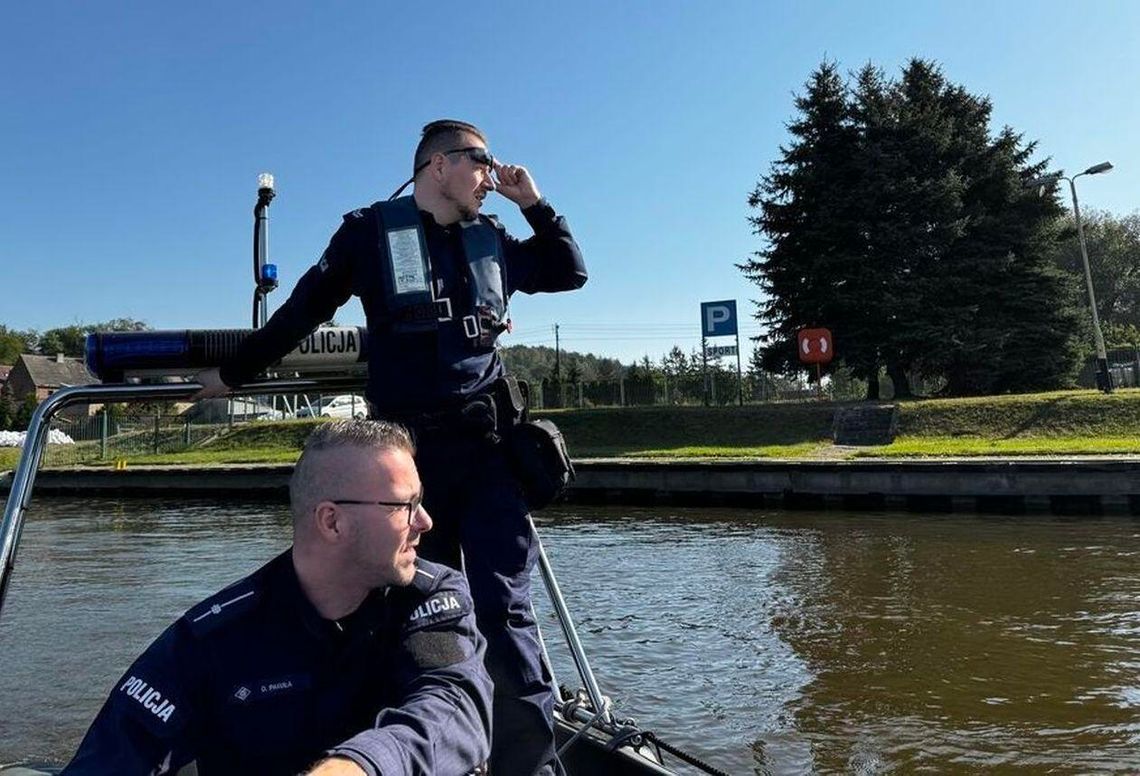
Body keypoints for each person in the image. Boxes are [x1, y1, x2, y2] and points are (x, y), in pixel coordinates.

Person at [195, 119, 586, 775]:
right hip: (407, 470)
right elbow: (299, 313)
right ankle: (418, 753)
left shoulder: (495, 239)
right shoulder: (367, 235)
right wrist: (233, 375)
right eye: (483, 163)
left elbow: (570, 271)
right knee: (417, 613)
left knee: (505, 612)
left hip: (489, 456)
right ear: (438, 165)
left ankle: (530, 767)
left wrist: (535, 204)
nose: (492, 176)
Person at [62, 420, 492, 776]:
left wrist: (358, 768)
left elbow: (454, 705)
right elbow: (115, 753)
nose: (426, 521)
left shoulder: (429, 598)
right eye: (405, 505)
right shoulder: (215, 638)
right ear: (332, 522)